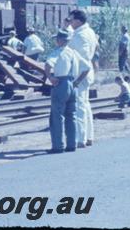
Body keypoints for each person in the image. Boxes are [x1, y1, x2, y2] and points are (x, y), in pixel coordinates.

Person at [44, 30, 90, 153]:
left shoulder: (57, 52)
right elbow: (87, 68)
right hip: (72, 84)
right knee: (71, 115)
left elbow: (48, 65)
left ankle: (58, 146)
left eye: (57, 39)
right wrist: (77, 82)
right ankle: (71, 144)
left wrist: (50, 78)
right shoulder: (74, 53)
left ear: (60, 40)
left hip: (61, 83)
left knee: (57, 116)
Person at [68, 9, 98, 147]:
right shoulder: (89, 32)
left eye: (72, 20)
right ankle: (89, 137)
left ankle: (81, 138)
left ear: (78, 21)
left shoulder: (80, 36)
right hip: (86, 73)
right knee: (85, 105)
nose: (70, 22)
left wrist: (78, 79)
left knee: (79, 106)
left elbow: (83, 59)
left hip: (81, 74)